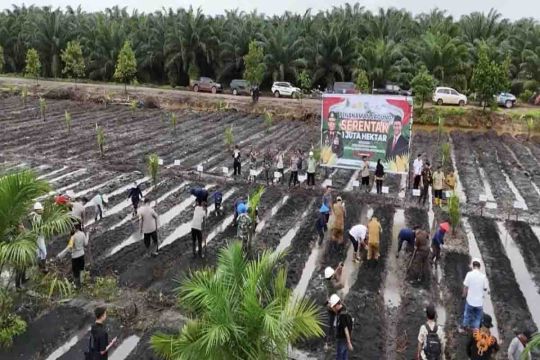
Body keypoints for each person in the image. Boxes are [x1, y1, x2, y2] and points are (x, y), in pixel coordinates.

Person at [57, 223, 88, 288]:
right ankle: (81, 283)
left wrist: (61, 255)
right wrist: (87, 235)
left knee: (76, 272)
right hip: (82, 255)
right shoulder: (82, 234)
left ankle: (77, 286)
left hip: (75, 257)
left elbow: (69, 247)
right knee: (81, 269)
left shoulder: (73, 237)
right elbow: (86, 244)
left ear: (74, 228)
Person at [462, 258, 488, 332]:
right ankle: (475, 331)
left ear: (473, 266)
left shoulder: (469, 274)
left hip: (470, 300)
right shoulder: (483, 276)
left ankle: (465, 328)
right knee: (477, 317)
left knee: (467, 314)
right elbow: (485, 288)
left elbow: (465, 286)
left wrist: (464, 295)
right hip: (479, 302)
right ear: (479, 267)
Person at [328, 294, 353, 360]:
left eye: (333, 307)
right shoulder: (345, 309)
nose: (333, 308)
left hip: (342, 339)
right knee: (345, 356)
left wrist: (349, 342)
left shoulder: (342, 316)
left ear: (337, 305)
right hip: (345, 339)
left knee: (340, 357)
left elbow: (346, 329)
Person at [31, 202, 48, 273]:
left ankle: (40, 267)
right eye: (40, 209)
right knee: (44, 252)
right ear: (36, 210)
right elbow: (39, 229)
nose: (41, 210)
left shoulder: (37, 216)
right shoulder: (37, 218)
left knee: (39, 252)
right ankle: (43, 268)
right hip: (39, 237)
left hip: (39, 236)